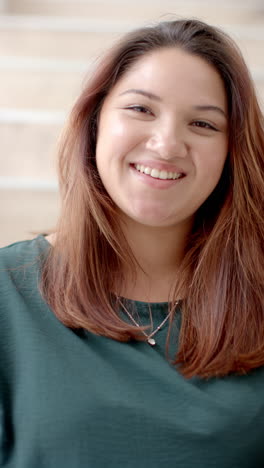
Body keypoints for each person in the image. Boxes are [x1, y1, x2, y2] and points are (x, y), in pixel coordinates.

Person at [0, 18, 263, 468]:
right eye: (141, 109)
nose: (166, 145)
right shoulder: (9, 294)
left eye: (202, 123)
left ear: (231, 151)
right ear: (94, 121)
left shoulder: (254, 294)